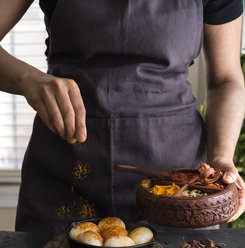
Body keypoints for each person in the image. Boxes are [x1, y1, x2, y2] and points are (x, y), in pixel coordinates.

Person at [0, 0, 244, 232]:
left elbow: (225, 80)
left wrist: (221, 156)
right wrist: (28, 79)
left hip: (176, 189)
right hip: (66, 176)